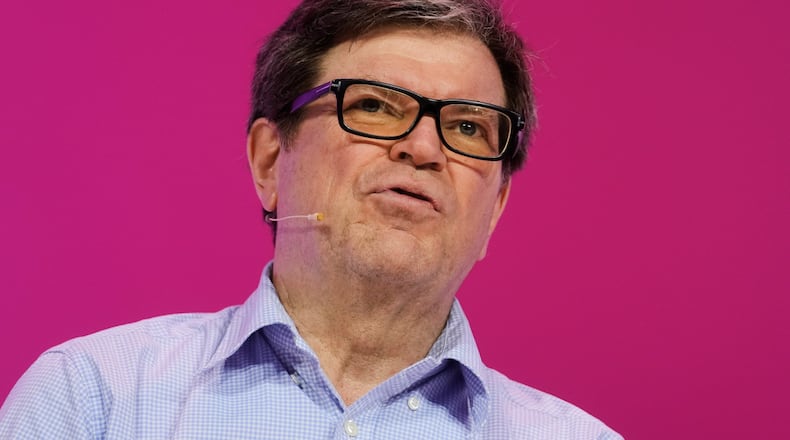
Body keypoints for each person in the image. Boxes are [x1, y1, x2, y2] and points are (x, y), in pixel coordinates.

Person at [0, 0, 622, 438]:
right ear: (271, 160)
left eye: (466, 127)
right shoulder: (93, 399)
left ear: (495, 211)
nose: (425, 149)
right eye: (374, 106)